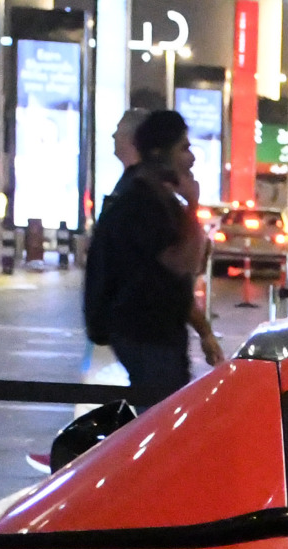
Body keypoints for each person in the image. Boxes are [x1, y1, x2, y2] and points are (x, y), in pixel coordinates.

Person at [83, 109, 221, 412]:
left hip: (148, 332)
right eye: (184, 147)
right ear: (160, 153)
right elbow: (183, 264)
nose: (192, 158)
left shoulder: (148, 197)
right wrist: (193, 205)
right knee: (163, 424)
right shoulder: (145, 203)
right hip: (148, 334)